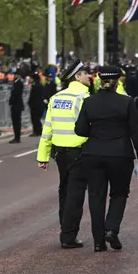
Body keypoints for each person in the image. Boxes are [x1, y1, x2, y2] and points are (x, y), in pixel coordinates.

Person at [75, 66, 138, 252]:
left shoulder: (89, 102)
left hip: (93, 153)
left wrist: (97, 132)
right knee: (119, 194)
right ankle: (111, 229)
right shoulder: (126, 102)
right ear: (117, 83)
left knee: (95, 196)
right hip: (120, 154)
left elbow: (80, 129)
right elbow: (136, 131)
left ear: (100, 81)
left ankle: (98, 241)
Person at [36, 60, 91, 248]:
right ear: (77, 76)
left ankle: (65, 228)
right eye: (86, 73)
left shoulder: (56, 97)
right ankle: (68, 235)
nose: (89, 76)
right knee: (75, 195)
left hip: (59, 153)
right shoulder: (84, 97)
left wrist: (42, 156)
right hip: (79, 151)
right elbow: (88, 126)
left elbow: (47, 129)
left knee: (64, 191)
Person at [9, 69, 25, 143]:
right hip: (14, 105)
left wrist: (12, 101)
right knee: (15, 121)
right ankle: (16, 136)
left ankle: (17, 137)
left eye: (15, 74)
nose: (14, 76)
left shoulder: (19, 83)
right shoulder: (15, 83)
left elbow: (17, 95)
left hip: (17, 105)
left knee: (17, 122)